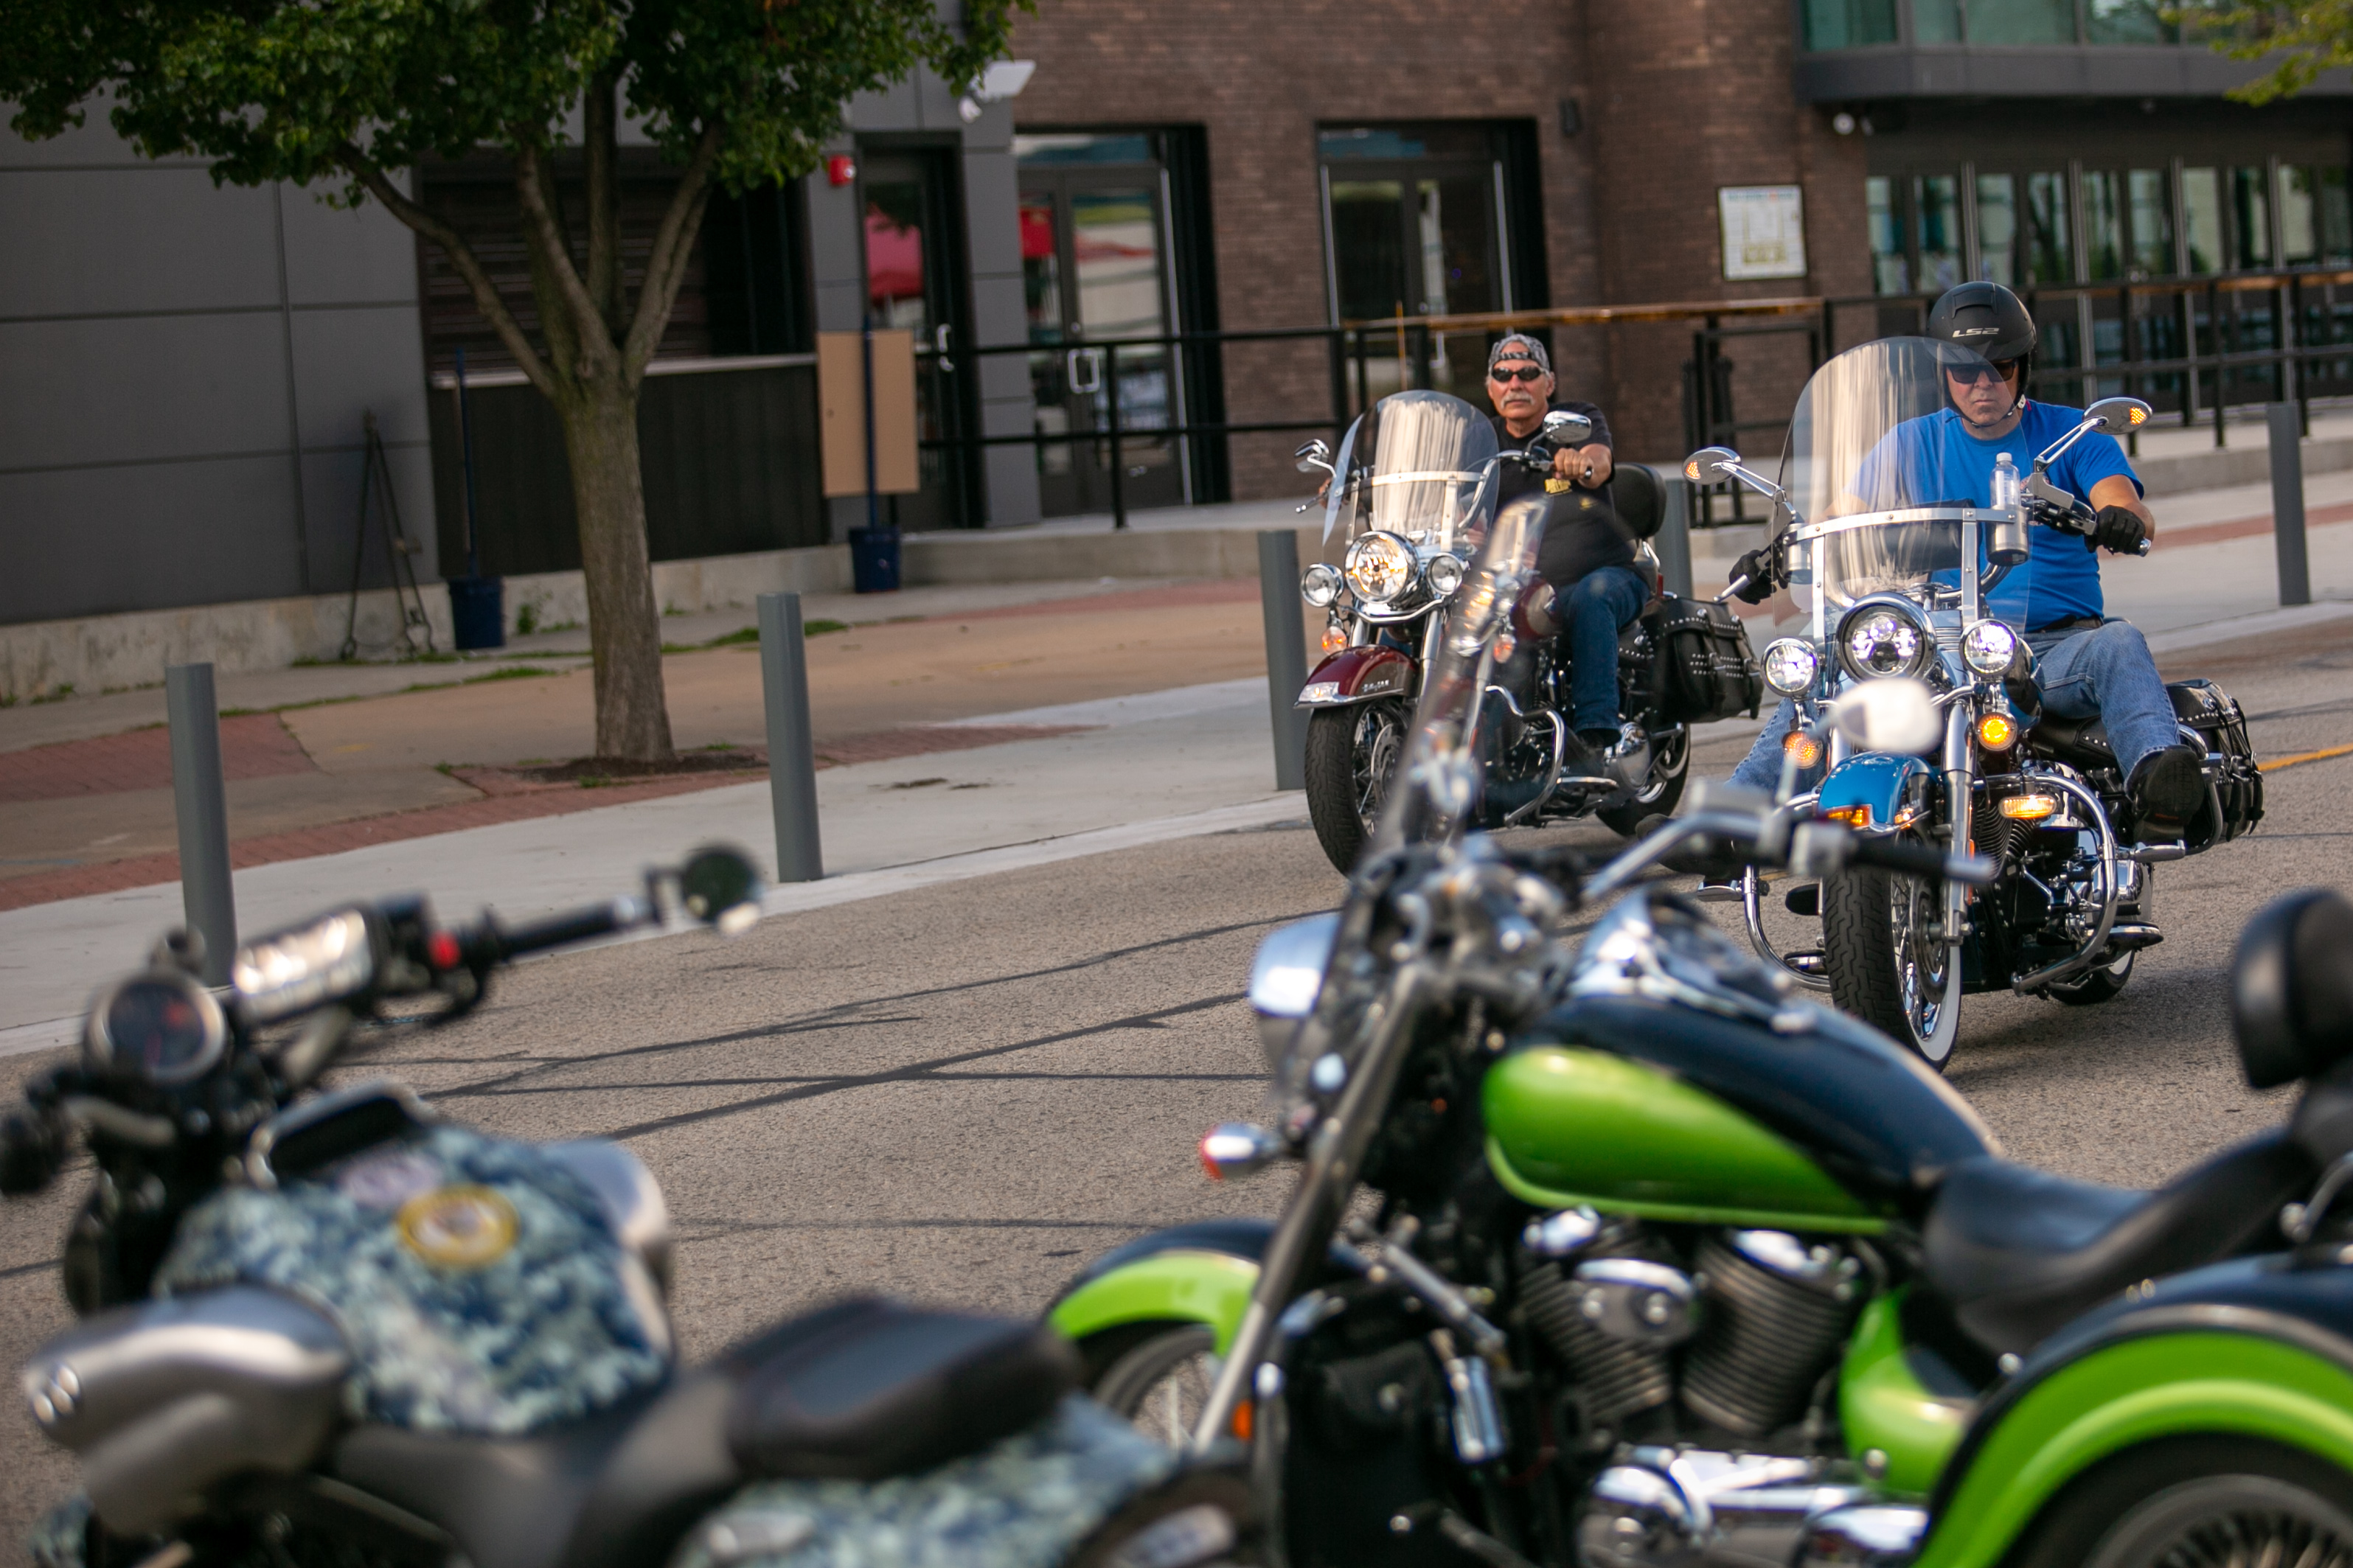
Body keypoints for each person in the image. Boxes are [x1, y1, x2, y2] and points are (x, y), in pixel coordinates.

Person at [1719, 281, 2206, 845]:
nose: (1982, 384)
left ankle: (2160, 779)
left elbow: (2123, 501)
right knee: (1823, 657)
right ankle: (1734, 819)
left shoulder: (2073, 435)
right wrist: (1785, 552)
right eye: (1964, 370)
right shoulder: (1908, 443)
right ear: (1942, 374)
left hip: (2050, 650)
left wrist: (2120, 518)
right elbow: (1840, 517)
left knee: (2120, 643)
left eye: (1998, 368)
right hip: (1936, 646)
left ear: (2023, 367)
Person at [1481, 332, 1648, 781]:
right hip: (1515, 582)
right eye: (1503, 374)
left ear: (1548, 383)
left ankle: (1596, 736)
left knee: (1590, 597)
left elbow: (1599, 460)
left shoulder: (1575, 419)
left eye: (1527, 373)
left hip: (1599, 571)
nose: (1515, 383)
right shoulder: (1481, 441)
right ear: (1490, 385)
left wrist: (1583, 464)